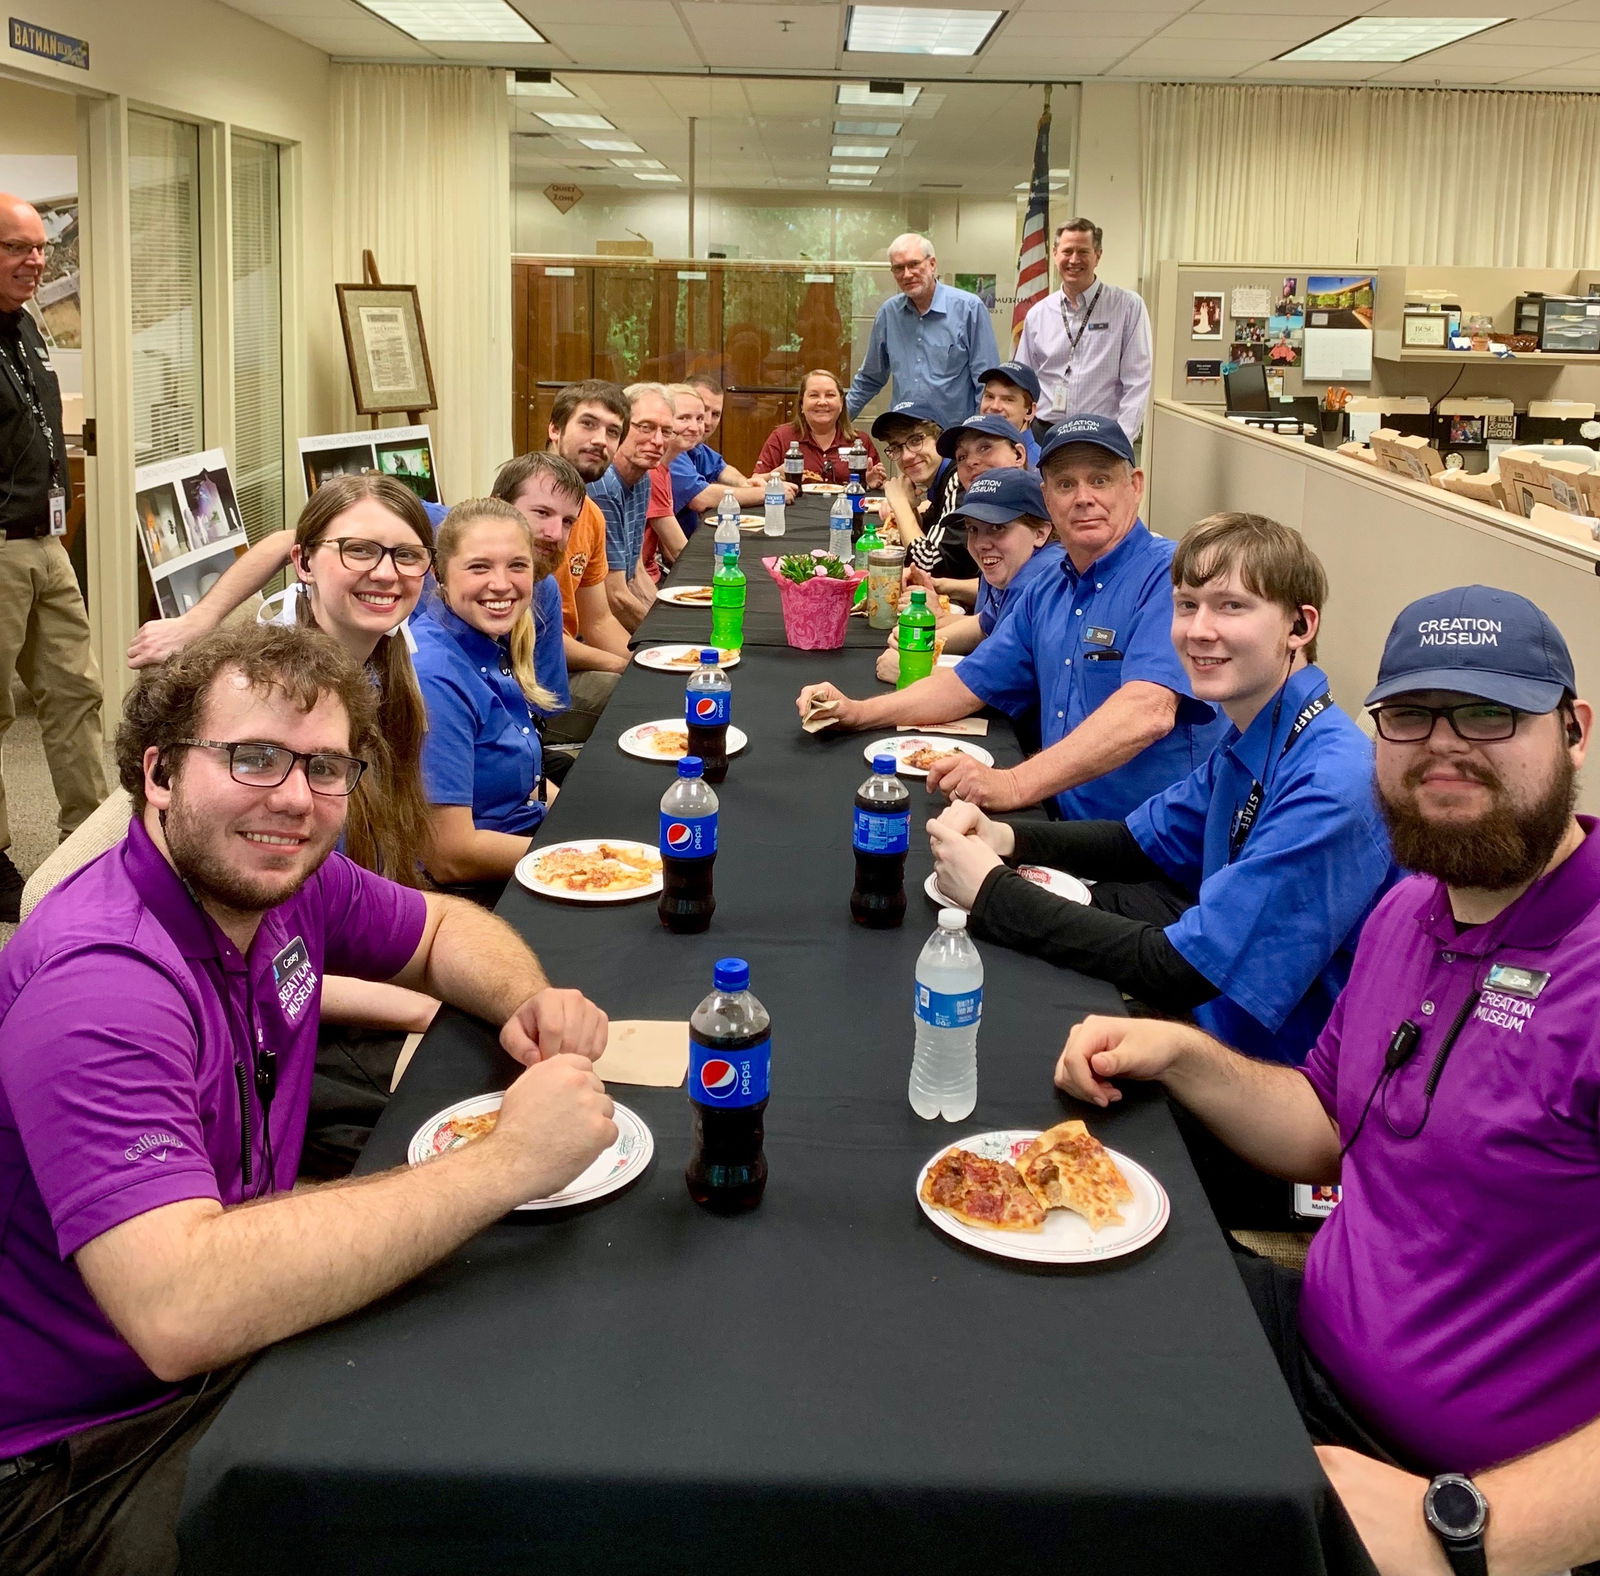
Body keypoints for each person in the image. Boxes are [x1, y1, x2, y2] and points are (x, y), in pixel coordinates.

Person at [0, 622, 615, 1576]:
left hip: (218, 1342)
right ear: (159, 774)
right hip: (81, 1454)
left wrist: (526, 999)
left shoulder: (284, 881)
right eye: (253, 758)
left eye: (327, 768)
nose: (294, 799)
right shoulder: (102, 987)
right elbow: (180, 1308)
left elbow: (444, 929)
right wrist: (505, 1161)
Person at [1053, 585, 1600, 1576]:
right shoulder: (1411, 911)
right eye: (1409, 715)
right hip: (1306, 1346)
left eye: (1489, 713)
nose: (1445, 744)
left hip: (1456, 1486)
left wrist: (1471, 1527)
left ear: (1574, 730)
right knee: (1044, 1359)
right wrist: (1181, 1054)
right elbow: (1323, 1123)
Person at [927, 513, 1396, 1067]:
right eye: (1187, 604)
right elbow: (1137, 841)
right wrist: (1006, 837)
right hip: (1205, 1021)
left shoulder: (1330, 784)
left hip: (1259, 1071)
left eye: (1232, 606)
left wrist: (992, 893)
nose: (1198, 629)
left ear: (1300, 626)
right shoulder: (1260, 731)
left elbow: (1181, 970)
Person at [798, 416, 1224, 821]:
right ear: (1047, 499)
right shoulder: (1050, 588)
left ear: (1135, 487)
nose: (1082, 497)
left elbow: (1147, 712)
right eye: (1064, 483)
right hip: (1060, 818)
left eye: (1100, 479)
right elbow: (967, 684)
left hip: (1144, 847)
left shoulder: (1170, 577)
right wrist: (856, 712)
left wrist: (1015, 785)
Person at [0, 192, 107, 919]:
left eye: (39, 247)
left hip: (44, 542)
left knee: (76, 693)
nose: (35, 260)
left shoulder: (28, 327)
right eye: (16, 248)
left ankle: (90, 842)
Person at [411, 492, 578, 894]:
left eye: (517, 566)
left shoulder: (487, 643)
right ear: (439, 573)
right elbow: (450, 856)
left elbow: (526, 783)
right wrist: (572, 857)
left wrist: (584, 827)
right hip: (480, 891)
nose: (501, 584)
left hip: (519, 847)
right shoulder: (435, 673)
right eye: (478, 567)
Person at [874, 469, 1061, 685]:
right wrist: (923, 643)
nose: (981, 543)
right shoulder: (1017, 564)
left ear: (1040, 532)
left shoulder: (1043, 581)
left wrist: (914, 671)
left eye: (998, 528)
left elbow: (1014, 683)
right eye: (973, 529)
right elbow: (985, 624)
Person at [536, 380, 633, 742]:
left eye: (612, 432)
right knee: (632, 700)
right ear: (555, 429)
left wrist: (644, 665)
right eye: (588, 424)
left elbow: (599, 619)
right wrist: (623, 667)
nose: (600, 440)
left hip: (562, 665)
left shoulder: (591, 514)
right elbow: (536, 640)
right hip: (524, 682)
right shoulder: (521, 511)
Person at [1015, 219, 1153, 443]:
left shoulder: (1127, 306)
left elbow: (1137, 381)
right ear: (1055, 254)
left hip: (1100, 435)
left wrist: (1122, 440)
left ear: (1098, 255)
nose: (1074, 260)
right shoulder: (1038, 313)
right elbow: (1023, 381)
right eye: (1067, 251)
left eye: (1083, 251)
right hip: (1045, 434)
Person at [845, 233, 1000, 432]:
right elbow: (870, 377)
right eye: (899, 268)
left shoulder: (969, 308)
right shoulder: (888, 313)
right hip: (905, 435)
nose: (907, 274)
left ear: (932, 264)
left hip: (954, 436)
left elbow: (986, 380)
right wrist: (836, 422)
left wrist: (980, 433)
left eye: (914, 264)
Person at [909, 412, 1033, 601]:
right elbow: (990, 613)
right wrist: (938, 586)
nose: (971, 461)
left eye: (985, 448)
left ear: (1019, 455)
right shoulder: (975, 507)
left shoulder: (1037, 515)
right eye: (961, 456)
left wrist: (901, 504)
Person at [590, 381, 673, 633]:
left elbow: (635, 572)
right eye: (646, 427)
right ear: (621, 427)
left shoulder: (643, 478)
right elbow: (615, 597)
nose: (657, 441)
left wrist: (670, 622)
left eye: (666, 431)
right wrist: (664, 636)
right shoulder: (603, 486)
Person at [666, 382, 792, 533]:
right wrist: (770, 493)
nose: (705, 423)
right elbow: (700, 498)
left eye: (714, 414)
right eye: (685, 417)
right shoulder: (670, 451)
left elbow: (722, 469)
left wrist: (747, 484)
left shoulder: (694, 447)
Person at [753, 368, 885, 485]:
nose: (822, 402)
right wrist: (775, 475)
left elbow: (882, 489)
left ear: (841, 404)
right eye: (814, 395)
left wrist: (869, 482)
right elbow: (754, 482)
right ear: (801, 405)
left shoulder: (860, 442)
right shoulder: (781, 437)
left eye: (830, 395)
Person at [977, 360, 1043, 466]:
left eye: (1008, 399)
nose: (995, 406)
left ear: (1030, 411)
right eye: (989, 396)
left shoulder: (1040, 466)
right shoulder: (968, 455)